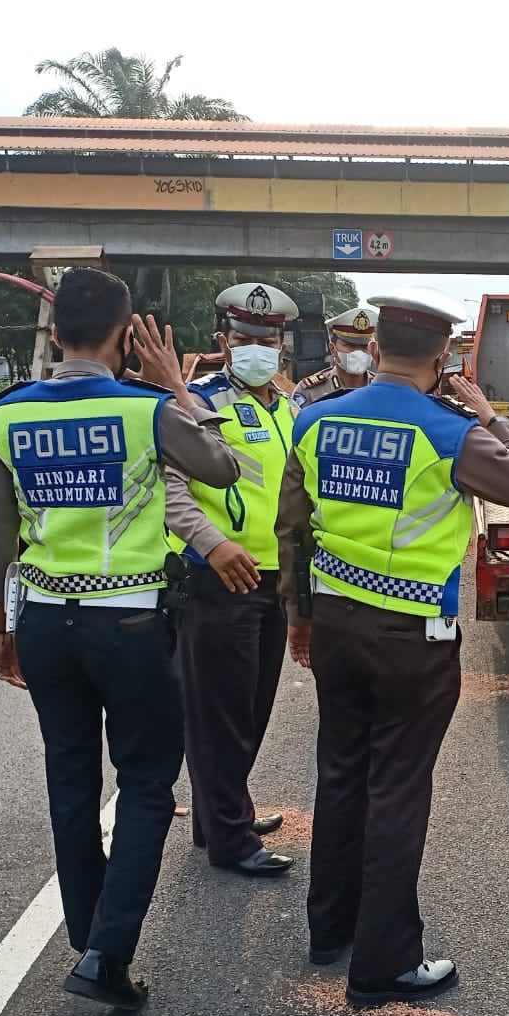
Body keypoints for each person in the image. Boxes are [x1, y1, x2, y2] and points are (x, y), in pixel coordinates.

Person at [0, 268, 240, 1009]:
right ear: (124, 336)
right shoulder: (146, 410)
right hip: (129, 623)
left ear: (55, 334)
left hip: (45, 623)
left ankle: (88, 935)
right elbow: (222, 468)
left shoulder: (6, 415)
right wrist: (177, 387)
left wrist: (0, 624)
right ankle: (107, 953)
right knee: (146, 782)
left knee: (70, 777)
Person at [275, 287, 509, 1007]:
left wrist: (298, 617)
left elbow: (292, 527)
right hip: (411, 636)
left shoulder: (315, 419)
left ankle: (330, 930)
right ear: (443, 354)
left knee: (340, 771)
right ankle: (384, 962)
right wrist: (490, 415)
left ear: (374, 347)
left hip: (336, 623)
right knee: (396, 786)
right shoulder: (450, 431)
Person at [164, 282, 302, 879]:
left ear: (282, 346)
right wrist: (211, 544)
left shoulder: (288, 408)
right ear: (223, 341)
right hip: (218, 578)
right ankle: (231, 839)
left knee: (250, 709)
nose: (257, 350)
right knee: (220, 715)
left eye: (267, 341)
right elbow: (170, 490)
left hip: (274, 578)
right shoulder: (193, 403)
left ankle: (220, 814)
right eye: (244, 339)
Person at [293, 305, 380, 409]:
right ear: (332, 349)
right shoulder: (310, 391)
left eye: (364, 347)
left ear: (372, 349)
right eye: (350, 345)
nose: (358, 352)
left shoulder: (381, 389)